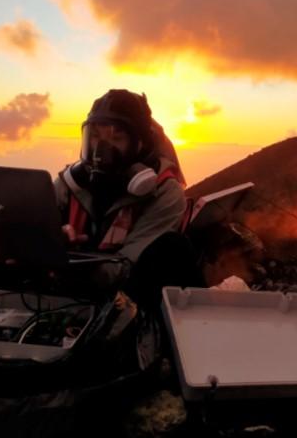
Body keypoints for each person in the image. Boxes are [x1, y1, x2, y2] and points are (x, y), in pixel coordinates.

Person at [54, 89, 205, 308]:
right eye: (95, 136)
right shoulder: (70, 183)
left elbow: (127, 267)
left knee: (174, 249)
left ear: (140, 143)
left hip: (130, 298)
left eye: (116, 138)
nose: (101, 149)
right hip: (63, 288)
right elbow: (34, 236)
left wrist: (66, 265)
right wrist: (53, 240)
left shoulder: (165, 192)